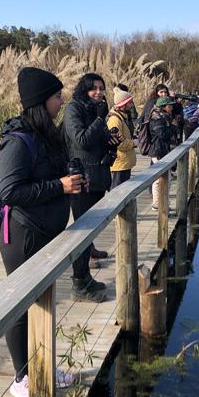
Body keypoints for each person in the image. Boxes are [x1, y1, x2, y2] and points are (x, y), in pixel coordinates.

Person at [0, 67, 83, 397]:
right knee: (20, 308)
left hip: (45, 233)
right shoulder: (18, 140)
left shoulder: (46, 134)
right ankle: (22, 378)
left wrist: (71, 181)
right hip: (23, 236)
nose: (62, 101)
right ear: (41, 101)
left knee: (42, 304)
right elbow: (10, 191)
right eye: (57, 96)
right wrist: (59, 186)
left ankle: (42, 366)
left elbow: (49, 177)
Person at [62, 72, 118, 298]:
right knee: (82, 233)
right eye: (93, 88)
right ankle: (79, 283)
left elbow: (95, 140)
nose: (99, 92)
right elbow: (81, 140)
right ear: (84, 89)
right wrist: (100, 120)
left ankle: (85, 277)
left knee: (90, 231)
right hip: (81, 179)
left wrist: (110, 143)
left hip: (97, 177)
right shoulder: (73, 109)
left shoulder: (96, 109)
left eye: (101, 88)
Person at [148, 96, 175, 212]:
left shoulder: (163, 117)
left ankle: (162, 203)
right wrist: (173, 126)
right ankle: (157, 204)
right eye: (170, 106)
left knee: (165, 178)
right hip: (158, 151)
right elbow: (163, 135)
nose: (172, 108)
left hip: (162, 150)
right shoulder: (157, 119)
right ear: (164, 107)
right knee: (159, 180)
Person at [107, 87, 137, 189]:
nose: (132, 105)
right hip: (119, 165)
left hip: (124, 164)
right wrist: (133, 143)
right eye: (130, 103)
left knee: (124, 192)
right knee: (117, 193)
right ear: (123, 104)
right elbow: (118, 143)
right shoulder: (115, 120)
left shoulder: (122, 117)